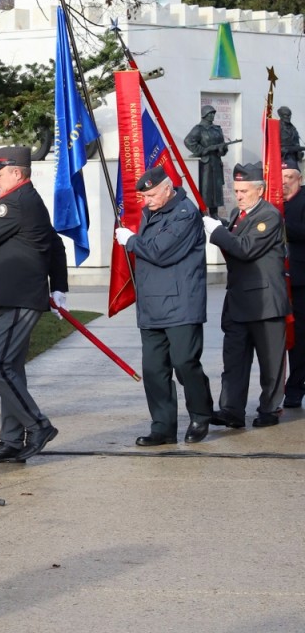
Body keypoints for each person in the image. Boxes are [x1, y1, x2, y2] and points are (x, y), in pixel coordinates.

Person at [0, 146, 68, 464]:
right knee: (11, 369)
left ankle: (38, 426)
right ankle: (11, 440)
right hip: (13, 298)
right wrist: (59, 287)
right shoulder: (30, 202)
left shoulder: (15, 203)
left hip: (15, 299)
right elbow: (56, 245)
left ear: (17, 172)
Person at [115, 165, 213, 446]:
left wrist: (131, 240)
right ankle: (163, 426)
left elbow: (160, 251)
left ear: (168, 189)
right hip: (153, 306)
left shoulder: (185, 214)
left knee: (184, 363)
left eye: (151, 195)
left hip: (181, 304)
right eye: (143, 197)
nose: (146, 201)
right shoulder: (152, 213)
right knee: (154, 370)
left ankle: (200, 414)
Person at [203, 162, 289, 428]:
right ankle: (231, 410)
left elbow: (245, 249)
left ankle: (269, 409)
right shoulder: (238, 215)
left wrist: (216, 232)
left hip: (265, 303)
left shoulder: (269, 215)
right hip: (240, 300)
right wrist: (222, 227)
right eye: (236, 190)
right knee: (234, 361)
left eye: (244, 190)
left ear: (259, 190)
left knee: (270, 362)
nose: (238, 195)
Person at [281, 156, 305, 407]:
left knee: (299, 336)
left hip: (300, 282)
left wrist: (282, 226)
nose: (285, 182)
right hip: (276, 282)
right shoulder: (273, 203)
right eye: (281, 178)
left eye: (290, 177)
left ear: (300, 179)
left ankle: (296, 386)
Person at [184, 105, 229, 217]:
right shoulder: (199, 129)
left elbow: (223, 148)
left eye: (213, 113)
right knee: (205, 190)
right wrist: (203, 150)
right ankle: (202, 215)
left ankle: (215, 215)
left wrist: (222, 149)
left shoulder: (217, 129)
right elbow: (188, 141)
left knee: (216, 190)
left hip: (216, 163)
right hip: (205, 165)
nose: (212, 115)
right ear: (204, 114)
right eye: (210, 113)